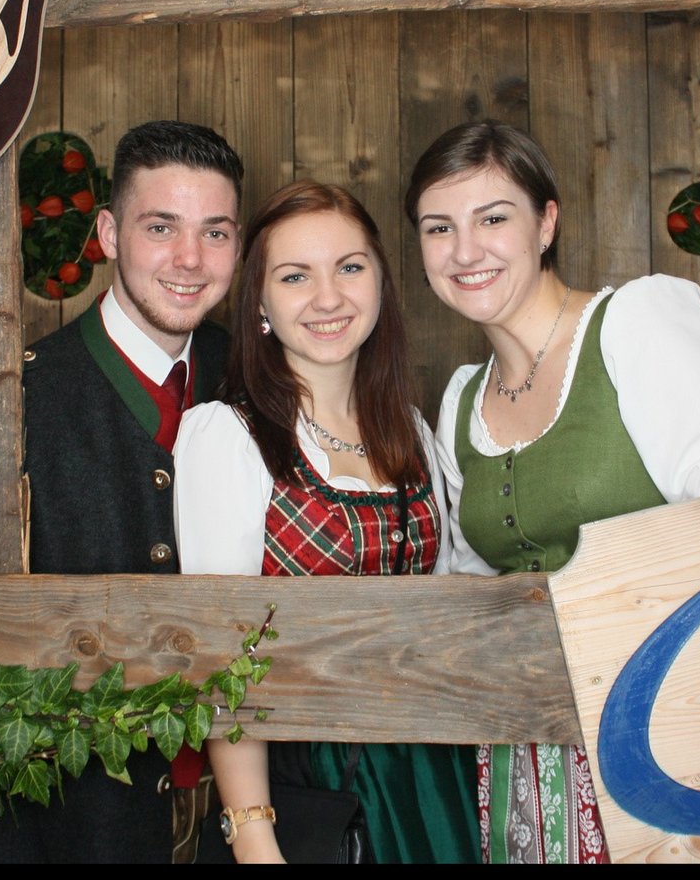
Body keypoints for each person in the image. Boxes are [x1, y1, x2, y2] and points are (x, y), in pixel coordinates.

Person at [404, 121, 700, 864]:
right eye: (439, 227)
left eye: (493, 218)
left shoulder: (637, 325)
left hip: (671, 727)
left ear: (546, 223)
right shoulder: (461, 398)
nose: (465, 251)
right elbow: (472, 584)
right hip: (527, 754)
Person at [0, 120, 245, 863]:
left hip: (242, 817)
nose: (190, 258)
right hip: (79, 829)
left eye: (215, 232)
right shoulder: (16, 401)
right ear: (110, 234)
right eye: (161, 227)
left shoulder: (256, 374)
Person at [174, 181, 480, 865]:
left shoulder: (412, 431)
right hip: (306, 788)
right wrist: (254, 836)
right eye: (295, 276)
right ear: (259, 303)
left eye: (349, 267)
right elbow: (225, 659)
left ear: (380, 281)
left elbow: (448, 614)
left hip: (431, 779)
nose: (328, 297)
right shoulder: (229, 436)